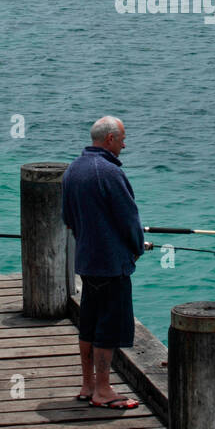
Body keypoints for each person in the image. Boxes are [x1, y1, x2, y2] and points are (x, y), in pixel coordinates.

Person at [61, 116, 152, 409]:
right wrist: (137, 247)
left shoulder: (73, 169)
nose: (125, 144)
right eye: (123, 138)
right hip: (111, 265)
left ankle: (88, 385)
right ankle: (103, 390)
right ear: (110, 139)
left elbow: (68, 219)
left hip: (86, 261)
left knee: (88, 324)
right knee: (108, 327)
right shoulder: (110, 173)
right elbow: (129, 220)